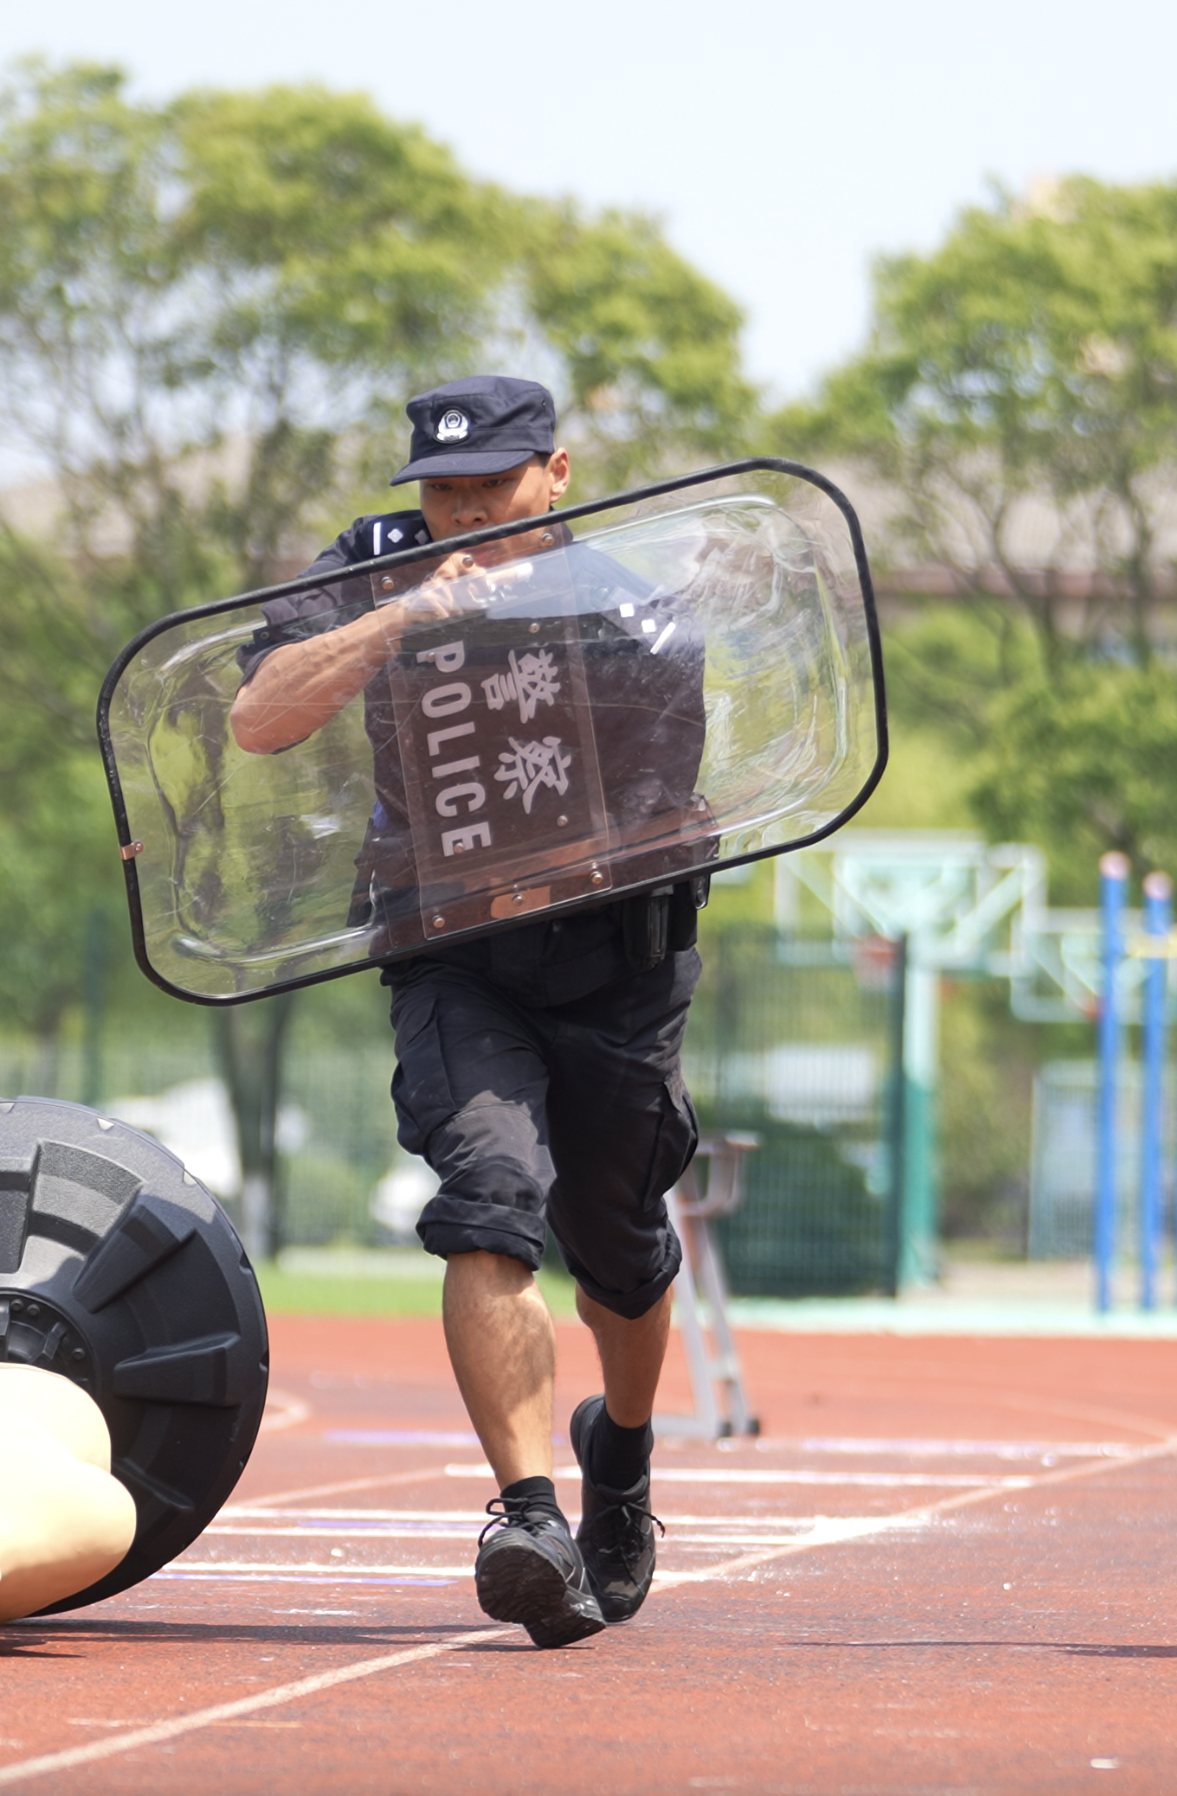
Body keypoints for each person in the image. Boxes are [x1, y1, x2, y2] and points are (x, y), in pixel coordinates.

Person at [229, 375, 700, 1649]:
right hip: (455, 957)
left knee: (617, 1237)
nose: (466, 515)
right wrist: (402, 622)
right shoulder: (378, 568)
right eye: (443, 492)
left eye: (492, 488)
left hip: (615, 964)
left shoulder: (634, 607)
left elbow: (657, 822)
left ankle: (625, 1453)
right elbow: (258, 716)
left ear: (557, 472)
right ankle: (531, 1513)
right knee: (487, 1193)